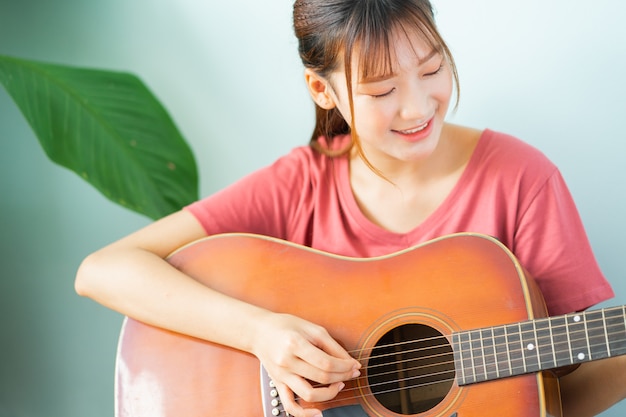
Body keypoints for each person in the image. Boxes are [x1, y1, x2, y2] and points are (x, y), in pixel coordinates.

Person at [74, 1, 626, 416]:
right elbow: (101, 271)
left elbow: (560, 385)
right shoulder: (301, 183)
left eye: (432, 69)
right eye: (382, 90)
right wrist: (261, 333)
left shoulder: (522, 178)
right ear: (322, 89)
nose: (416, 105)